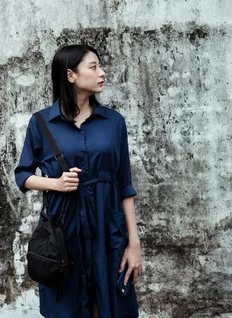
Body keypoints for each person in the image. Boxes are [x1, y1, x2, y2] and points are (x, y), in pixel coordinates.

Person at [15, 44, 142, 318]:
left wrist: (134, 243)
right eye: (93, 67)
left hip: (108, 230)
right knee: (68, 307)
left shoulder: (114, 122)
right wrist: (56, 184)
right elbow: (23, 175)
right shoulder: (42, 122)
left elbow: (124, 185)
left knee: (112, 305)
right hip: (63, 230)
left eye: (100, 66)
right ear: (71, 75)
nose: (102, 73)